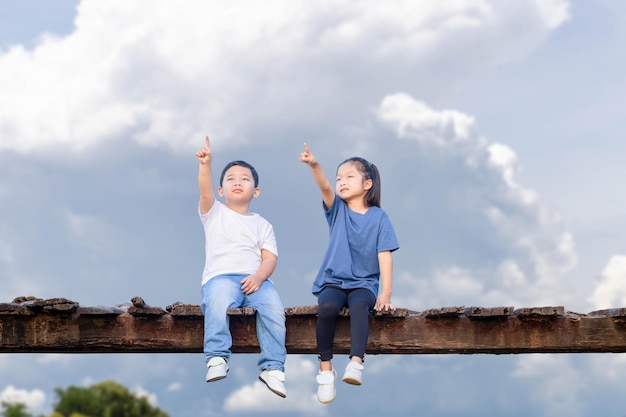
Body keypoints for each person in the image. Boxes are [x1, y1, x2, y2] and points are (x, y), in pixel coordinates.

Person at [299, 143, 399, 404]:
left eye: (349, 177)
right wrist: (314, 165)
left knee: (359, 307)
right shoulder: (337, 210)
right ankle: (325, 369)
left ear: (367, 184)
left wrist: (385, 293)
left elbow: (384, 255)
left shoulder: (379, 217)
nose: (341, 182)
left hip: (364, 283)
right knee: (328, 307)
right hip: (333, 280)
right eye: (339, 178)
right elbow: (323, 186)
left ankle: (356, 362)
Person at [196, 135, 287, 398]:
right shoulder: (214, 213)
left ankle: (273, 368)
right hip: (221, 277)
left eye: (245, 179)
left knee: (273, 309)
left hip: (257, 280)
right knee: (217, 301)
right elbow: (204, 190)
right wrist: (206, 165)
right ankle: (217, 357)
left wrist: (259, 277)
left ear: (255, 191)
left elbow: (269, 257)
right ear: (221, 190)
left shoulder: (262, 224)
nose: (238, 181)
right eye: (231, 179)